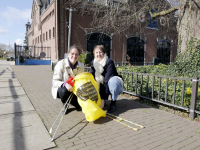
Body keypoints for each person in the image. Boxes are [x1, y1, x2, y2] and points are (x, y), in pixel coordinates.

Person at [90, 45, 123, 113]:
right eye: (96, 52)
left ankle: (113, 102)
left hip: (111, 82)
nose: (98, 54)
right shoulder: (93, 63)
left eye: (100, 52)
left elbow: (106, 80)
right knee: (94, 82)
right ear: (94, 54)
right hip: (101, 82)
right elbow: (91, 76)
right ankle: (100, 102)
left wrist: (103, 98)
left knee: (113, 82)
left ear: (104, 53)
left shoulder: (109, 62)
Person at [51, 45, 84, 111]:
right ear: (68, 54)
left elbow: (81, 80)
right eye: (72, 54)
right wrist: (65, 84)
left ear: (78, 56)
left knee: (80, 105)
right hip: (63, 89)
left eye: (76, 54)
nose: (74, 56)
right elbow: (54, 81)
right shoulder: (60, 64)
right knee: (64, 91)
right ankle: (65, 103)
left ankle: (74, 102)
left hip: (75, 90)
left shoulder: (81, 65)